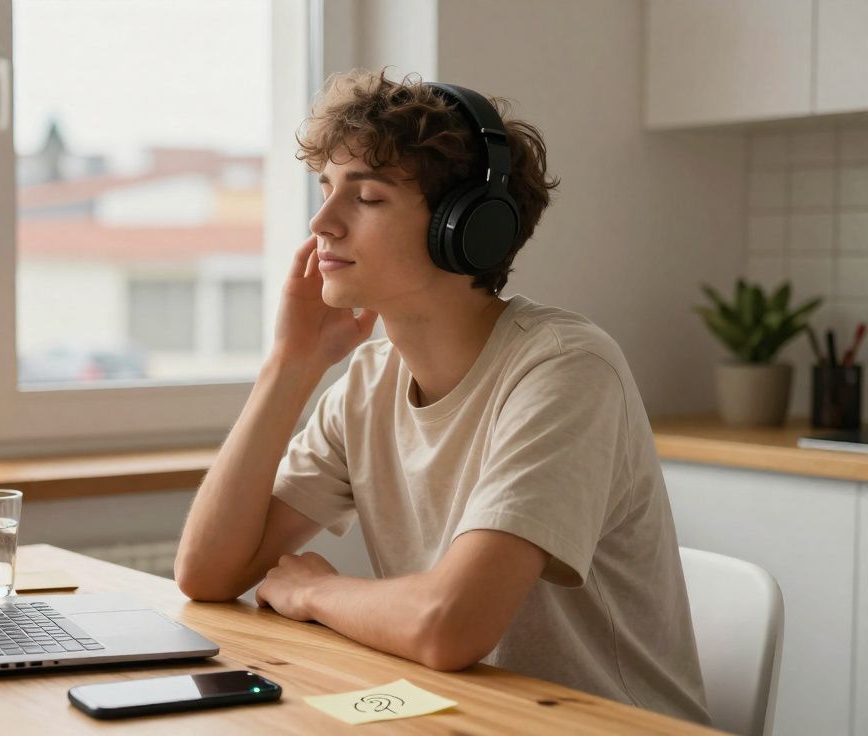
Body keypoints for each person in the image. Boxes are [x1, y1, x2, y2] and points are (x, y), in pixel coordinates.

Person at [173, 69, 709, 724]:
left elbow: (449, 626)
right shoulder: (368, 381)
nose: (322, 223)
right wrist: (289, 364)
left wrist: (317, 590)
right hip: (469, 717)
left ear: (467, 228)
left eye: (365, 198)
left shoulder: (565, 371)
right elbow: (206, 572)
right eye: (325, 189)